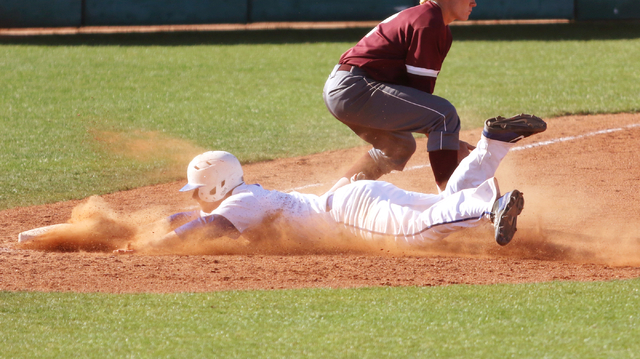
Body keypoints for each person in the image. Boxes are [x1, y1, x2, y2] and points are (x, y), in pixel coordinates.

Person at [114, 114, 547, 254]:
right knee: (441, 202)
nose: (195, 199)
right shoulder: (246, 195)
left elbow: (201, 229)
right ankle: (492, 143)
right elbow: (188, 218)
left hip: (352, 213)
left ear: (214, 187)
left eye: (196, 191)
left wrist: (147, 250)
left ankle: (491, 207)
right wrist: (150, 227)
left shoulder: (238, 206)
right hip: (352, 198)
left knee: (423, 229)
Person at [323, 0, 493, 192]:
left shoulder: (433, 22)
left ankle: (331, 200)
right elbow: (424, 100)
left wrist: (448, 140)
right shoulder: (429, 21)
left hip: (349, 87)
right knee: (444, 116)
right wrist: (449, 142)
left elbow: (418, 101)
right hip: (355, 87)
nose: (474, 2)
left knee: (399, 146)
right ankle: (451, 203)